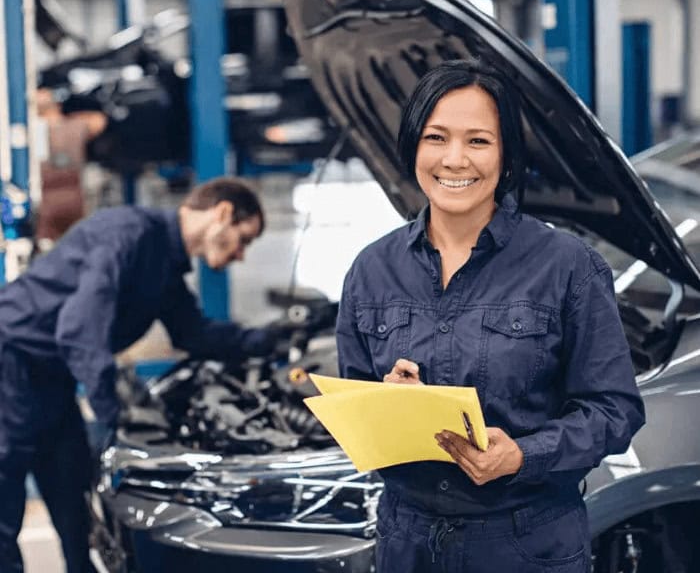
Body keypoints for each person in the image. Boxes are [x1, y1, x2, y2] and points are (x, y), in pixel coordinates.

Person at [335, 58, 645, 573]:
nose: (455, 160)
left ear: (506, 156)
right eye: (436, 138)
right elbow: (354, 407)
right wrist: (391, 402)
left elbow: (615, 411)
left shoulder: (567, 266)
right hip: (407, 542)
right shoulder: (371, 270)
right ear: (413, 145)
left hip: (526, 541)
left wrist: (524, 454)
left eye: (478, 141)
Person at [0, 176, 284, 573]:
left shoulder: (165, 267)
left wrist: (272, 337)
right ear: (221, 214)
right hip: (10, 364)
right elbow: (79, 330)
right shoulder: (129, 235)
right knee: (4, 506)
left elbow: (194, 334)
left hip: (51, 377)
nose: (240, 255)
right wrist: (111, 416)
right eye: (244, 238)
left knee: (74, 504)